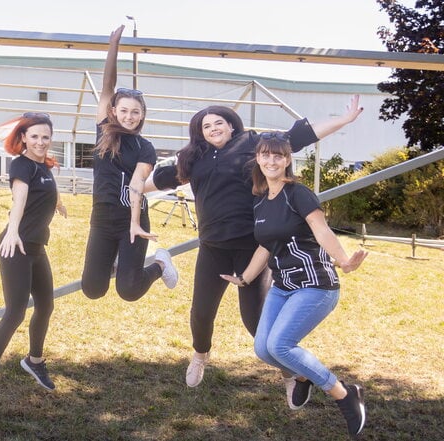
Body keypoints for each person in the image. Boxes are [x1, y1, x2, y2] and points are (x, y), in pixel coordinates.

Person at [147, 95, 363, 388]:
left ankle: (290, 374)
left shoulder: (252, 145)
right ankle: (200, 355)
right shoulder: (193, 157)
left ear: (231, 126)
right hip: (213, 247)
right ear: (200, 132)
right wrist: (129, 190)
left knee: (255, 320)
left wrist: (344, 120)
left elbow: (298, 136)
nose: (212, 129)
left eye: (218, 123)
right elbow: (156, 181)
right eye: (206, 126)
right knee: (201, 311)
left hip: (253, 248)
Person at [220, 132, 368, 438]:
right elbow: (265, 247)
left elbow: (321, 229)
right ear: (258, 159)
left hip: (315, 283)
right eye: (265, 155)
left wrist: (342, 259)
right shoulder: (261, 202)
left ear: (287, 160)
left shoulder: (297, 193)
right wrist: (245, 278)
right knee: (263, 349)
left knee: (280, 345)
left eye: (278, 156)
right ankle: (303, 376)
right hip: (282, 286)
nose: (271, 161)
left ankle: (345, 394)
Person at [0, 112, 67, 418]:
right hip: (17, 246)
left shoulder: (44, 165)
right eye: (34, 136)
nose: (40, 142)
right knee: (15, 313)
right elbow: (19, 199)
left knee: (46, 306)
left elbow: (48, 189)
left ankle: (34, 360)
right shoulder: (22, 165)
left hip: (36, 247)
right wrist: (12, 231)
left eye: (45, 137)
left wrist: (59, 203)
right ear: (23, 137)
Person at [80, 25, 178, 303]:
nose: (129, 116)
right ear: (113, 111)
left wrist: (135, 223)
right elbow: (107, 87)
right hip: (101, 218)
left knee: (129, 290)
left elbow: (137, 185)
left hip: (130, 218)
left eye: (136, 112)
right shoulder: (104, 130)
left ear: (143, 114)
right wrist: (113, 45)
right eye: (124, 110)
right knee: (93, 289)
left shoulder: (144, 148)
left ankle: (160, 263)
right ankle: (116, 261)